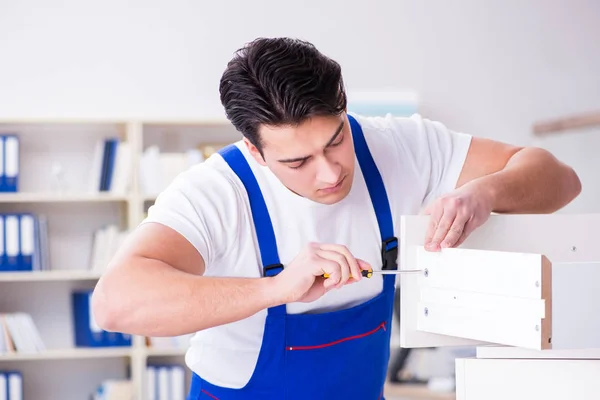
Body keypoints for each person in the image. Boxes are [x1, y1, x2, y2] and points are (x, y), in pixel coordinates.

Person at [91, 37, 581, 399]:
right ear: (255, 152)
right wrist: (276, 289)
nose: (329, 173)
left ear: (344, 108)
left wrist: (486, 192)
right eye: (297, 162)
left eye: (335, 141)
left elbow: (560, 180)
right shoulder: (217, 192)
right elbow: (115, 303)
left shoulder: (400, 146)